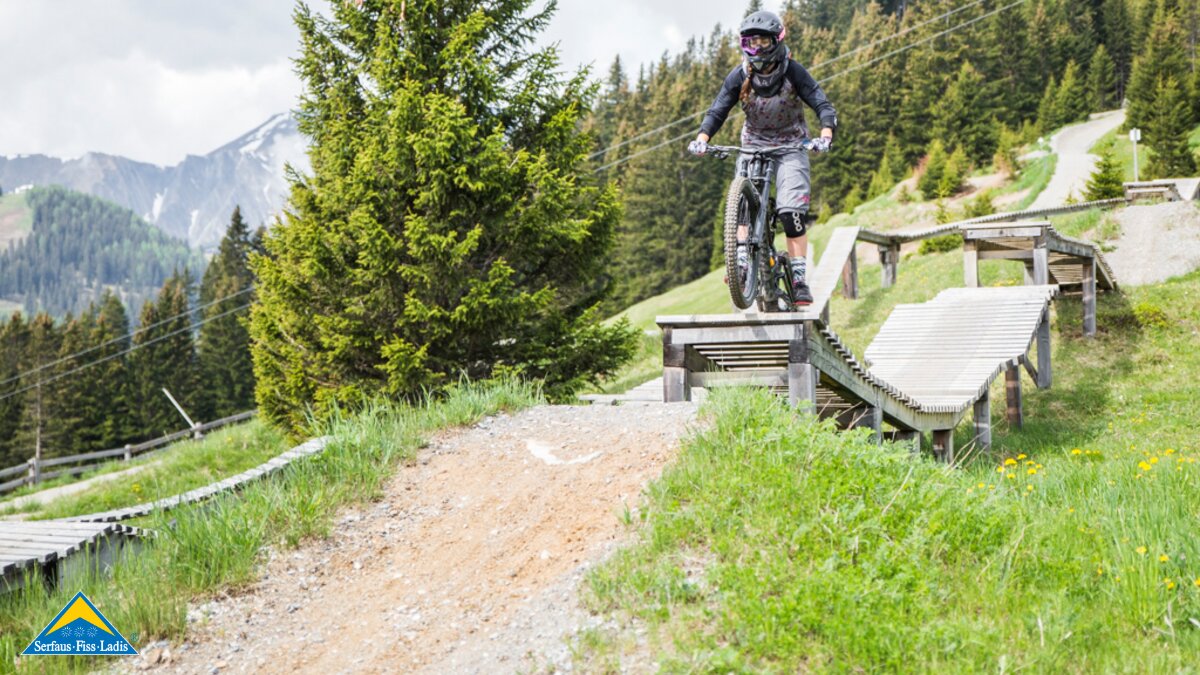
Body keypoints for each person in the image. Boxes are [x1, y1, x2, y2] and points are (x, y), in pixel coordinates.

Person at [689, 10, 838, 307]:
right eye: (750, 43)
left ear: (777, 41)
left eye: (762, 42)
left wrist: (825, 135)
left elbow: (822, 103)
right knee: (742, 205)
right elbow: (718, 109)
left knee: (789, 212)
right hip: (753, 145)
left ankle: (798, 279)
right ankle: (741, 263)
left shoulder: (793, 71)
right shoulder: (740, 75)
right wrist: (702, 139)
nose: (755, 49)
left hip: (791, 146)